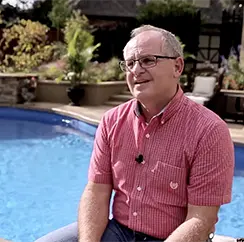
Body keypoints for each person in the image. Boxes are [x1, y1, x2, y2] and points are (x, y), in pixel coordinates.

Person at [35, 25, 235, 242]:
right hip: (118, 231)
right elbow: (97, 192)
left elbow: (201, 219)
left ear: (177, 66)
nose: (136, 70)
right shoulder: (112, 121)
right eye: (130, 63)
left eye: (148, 60)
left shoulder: (209, 131)